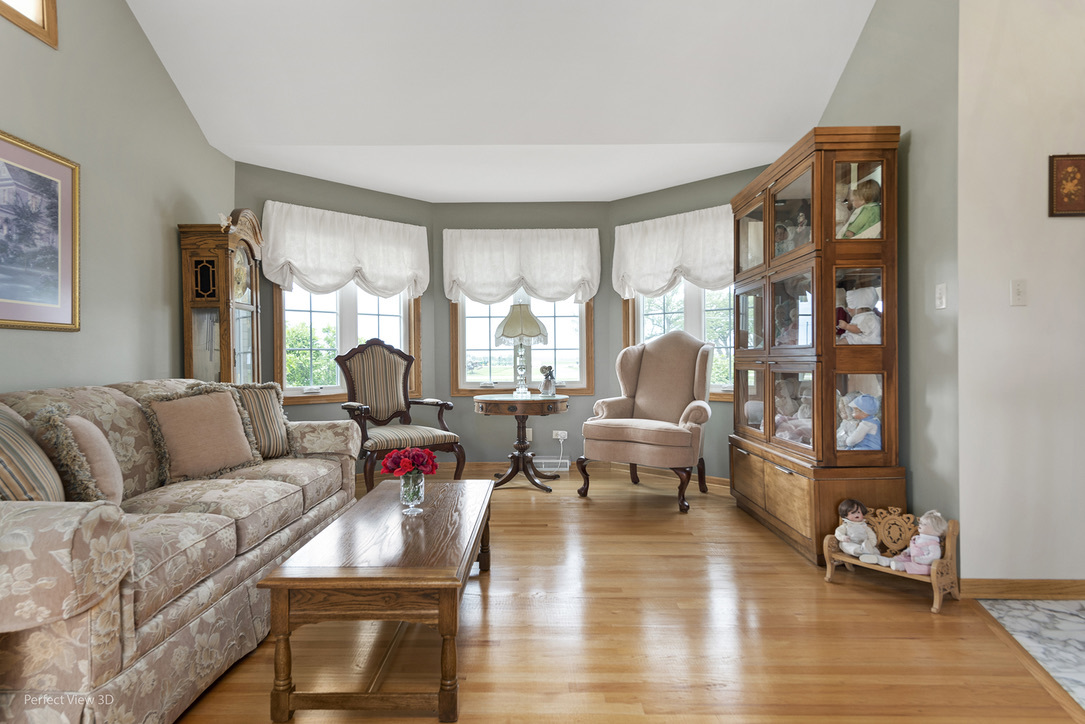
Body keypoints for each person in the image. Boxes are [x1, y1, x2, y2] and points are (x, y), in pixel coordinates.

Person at [861, 510, 947, 574]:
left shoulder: (933, 543)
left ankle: (899, 566)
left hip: (924, 564)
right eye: (920, 523)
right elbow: (913, 548)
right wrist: (907, 552)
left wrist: (918, 559)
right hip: (913, 558)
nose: (920, 525)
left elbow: (933, 557)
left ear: (935, 530)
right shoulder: (918, 538)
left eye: (924, 524)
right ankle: (884, 560)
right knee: (899, 558)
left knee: (918, 567)